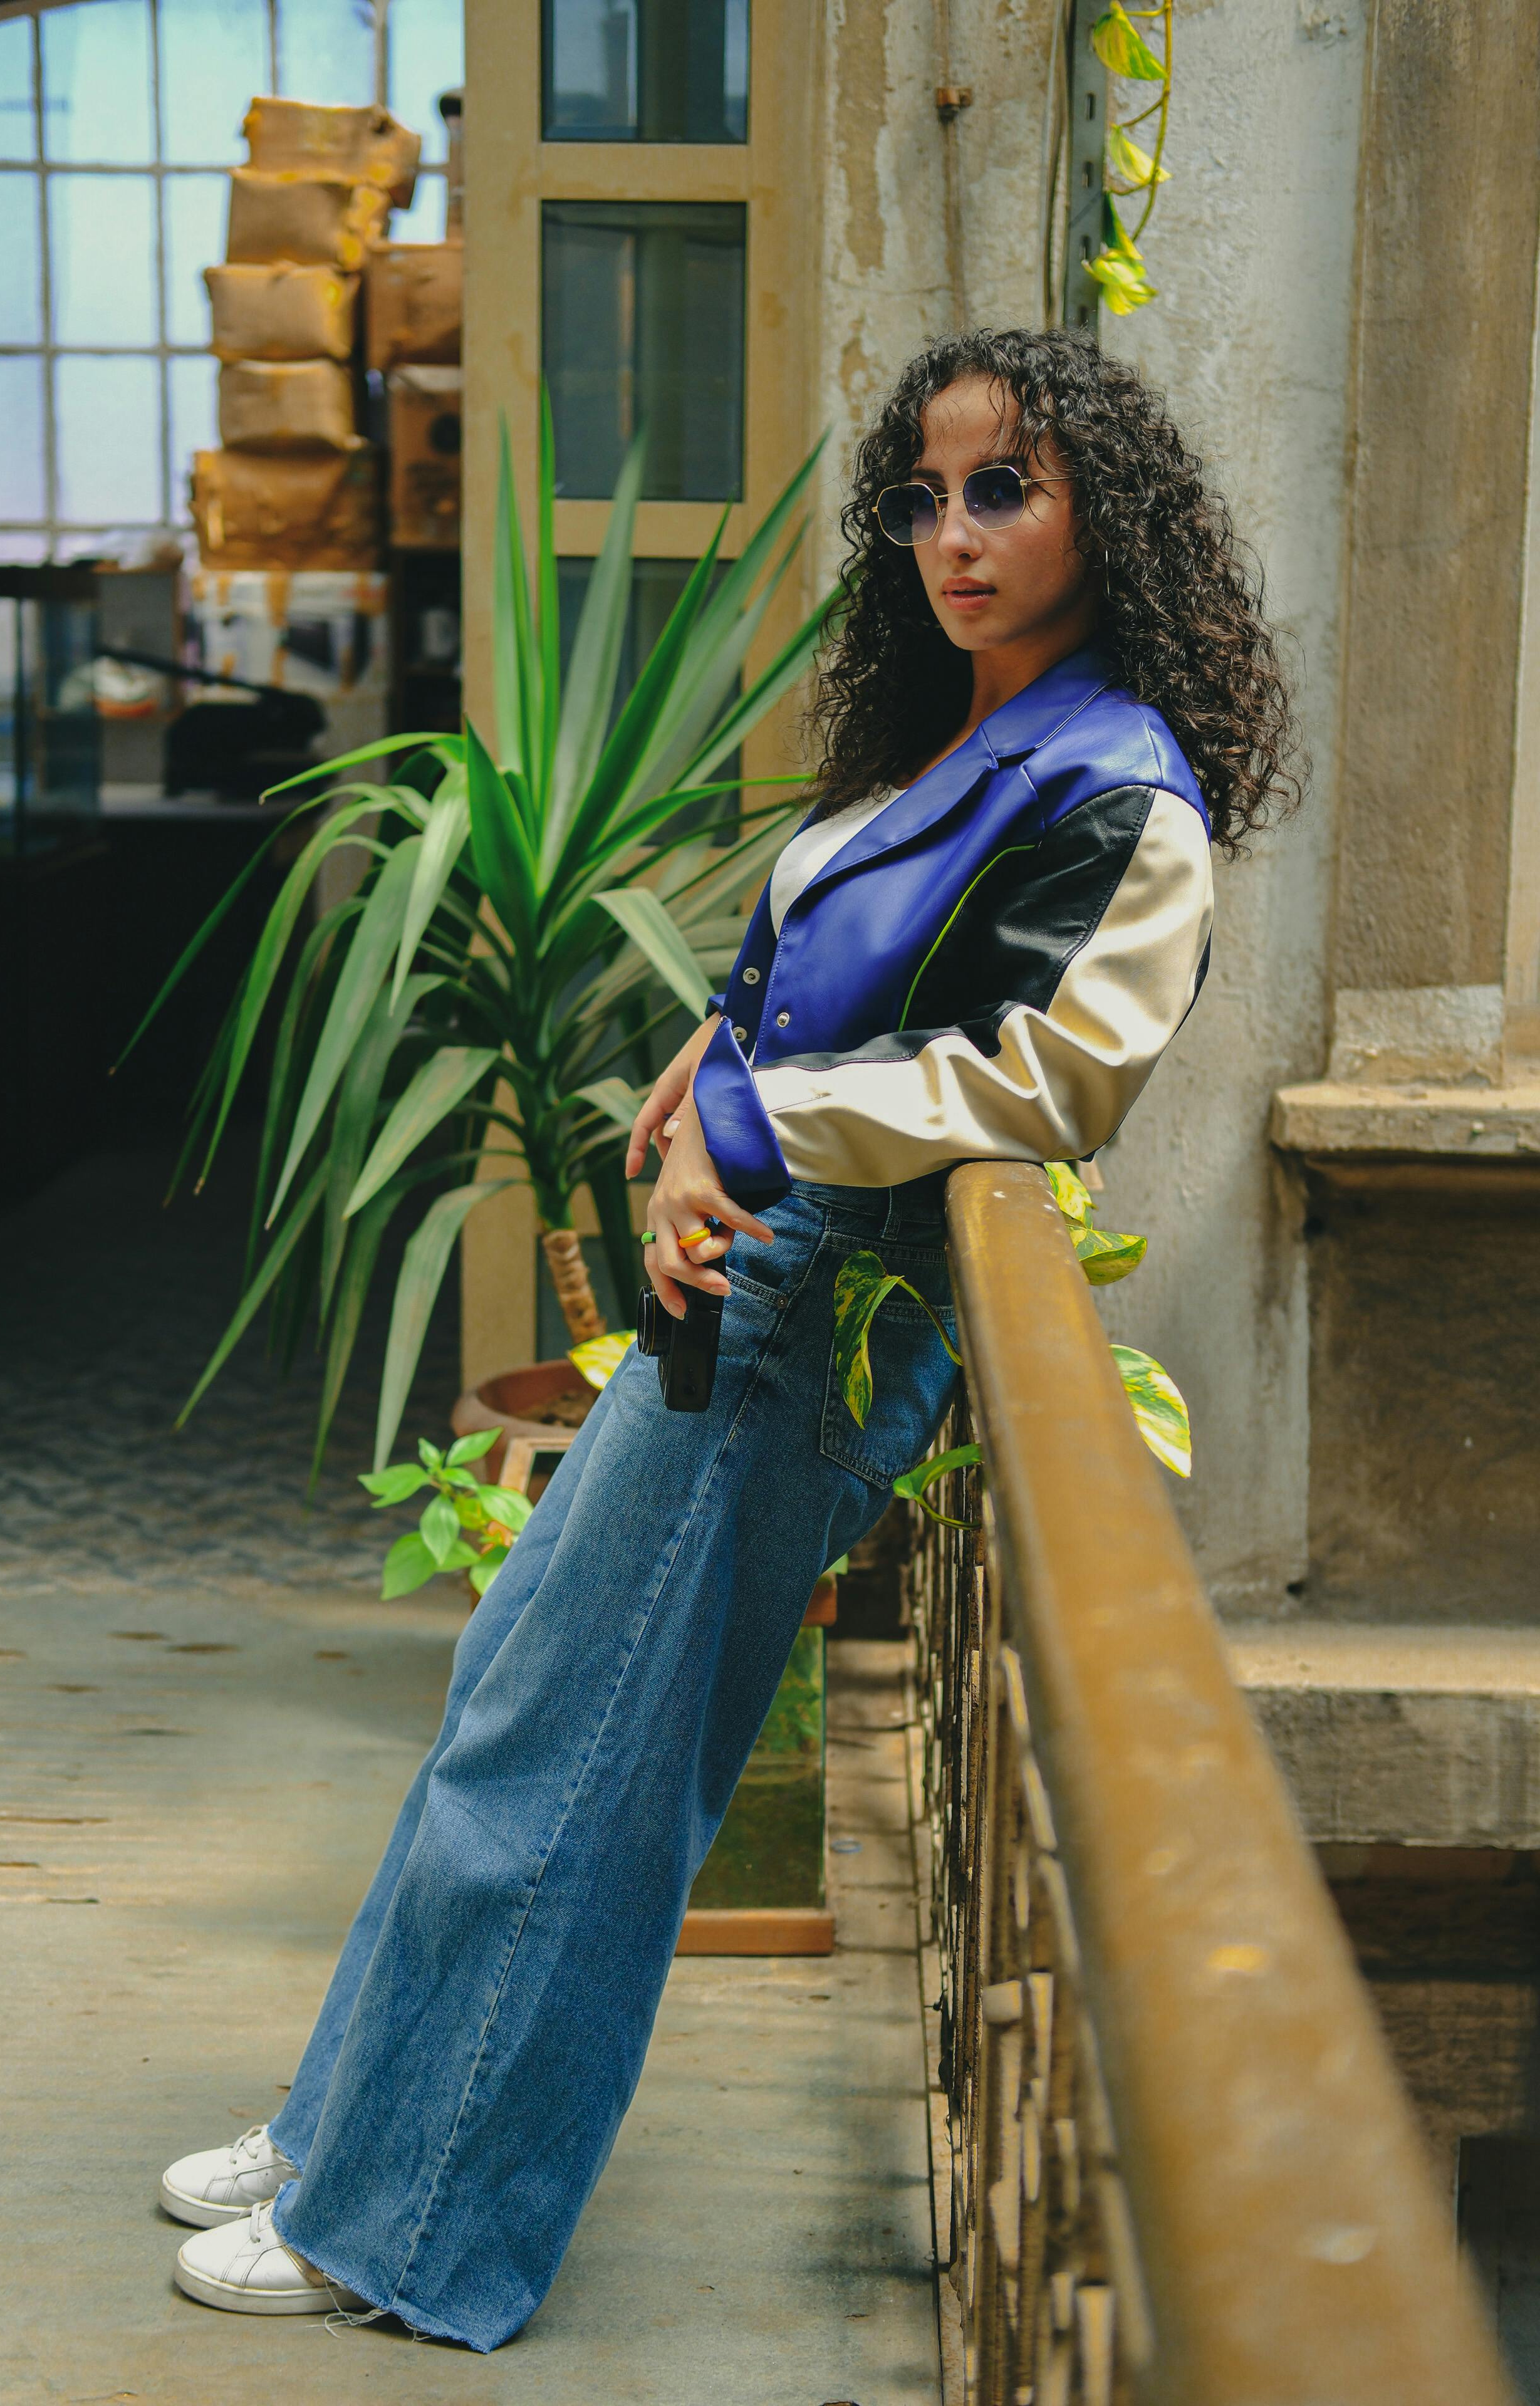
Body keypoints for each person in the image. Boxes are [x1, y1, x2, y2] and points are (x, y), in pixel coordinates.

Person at [159, 326, 1299, 2344]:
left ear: (1103, 515)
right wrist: (706, 1058)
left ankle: (408, 2230)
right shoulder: (979, 730)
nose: (953, 535)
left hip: (816, 1317)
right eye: (925, 497)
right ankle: (353, 2126)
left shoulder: (1134, 794)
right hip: (746, 1282)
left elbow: (1051, 1080)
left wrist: (754, 1123)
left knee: (587, 1762)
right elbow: (823, 964)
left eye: (1004, 490)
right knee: (522, 1700)